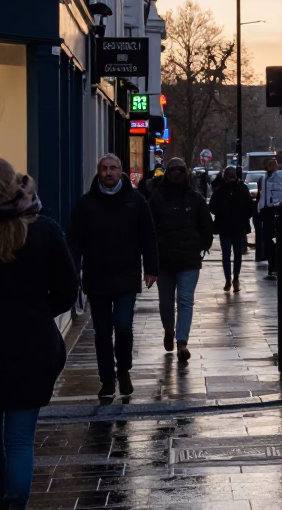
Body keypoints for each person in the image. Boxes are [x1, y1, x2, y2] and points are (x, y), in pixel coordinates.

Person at [0, 161, 78, 510]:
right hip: (31, 348)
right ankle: (15, 503)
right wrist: (39, 313)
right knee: (19, 440)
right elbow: (66, 291)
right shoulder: (44, 231)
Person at [65, 154, 158, 397]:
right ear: (99, 172)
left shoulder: (135, 200)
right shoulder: (86, 204)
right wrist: (74, 270)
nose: (109, 172)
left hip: (126, 274)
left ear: (121, 171)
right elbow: (74, 241)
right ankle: (107, 379)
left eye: (113, 168)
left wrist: (151, 268)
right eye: (105, 168)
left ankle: (124, 369)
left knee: (124, 326)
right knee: (103, 331)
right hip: (97, 277)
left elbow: (148, 236)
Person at [149, 158, 213, 362]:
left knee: (185, 301)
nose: (176, 173)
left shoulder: (195, 199)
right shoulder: (157, 199)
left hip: (188, 260)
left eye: (180, 170)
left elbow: (206, 226)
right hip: (164, 261)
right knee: (166, 303)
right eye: (173, 170)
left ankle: (182, 341)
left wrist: (201, 245)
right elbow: (148, 229)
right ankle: (169, 330)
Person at [209, 166, 253, 293]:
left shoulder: (220, 190)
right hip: (237, 227)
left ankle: (229, 279)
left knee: (227, 255)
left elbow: (212, 208)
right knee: (237, 255)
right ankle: (235, 279)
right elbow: (250, 208)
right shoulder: (242, 189)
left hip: (225, 227)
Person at [256, 158, 282, 280]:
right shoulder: (264, 178)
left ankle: (275, 266)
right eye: (270, 164)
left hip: (276, 209)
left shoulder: (281, 176)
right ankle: (272, 266)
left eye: (274, 163)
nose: (271, 165)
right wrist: (260, 207)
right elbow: (262, 194)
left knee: (276, 240)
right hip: (266, 210)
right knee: (268, 240)